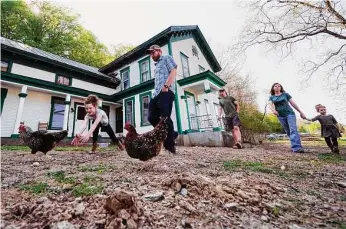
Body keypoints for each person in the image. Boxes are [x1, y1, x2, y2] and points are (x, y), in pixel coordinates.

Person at [147, 44, 178, 154]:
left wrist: (166, 86)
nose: (151, 55)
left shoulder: (166, 58)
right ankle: (172, 133)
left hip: (166, 92)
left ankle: (170, 146)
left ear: (159, 51)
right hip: (156, 94)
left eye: (153, 52)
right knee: (151, 117)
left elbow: (173, 71)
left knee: (165, 117)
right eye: (150, 53)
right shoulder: (156, 66)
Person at [269, 83, 305, 153]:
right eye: (275, 86)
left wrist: (301, 112)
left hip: (290, 114)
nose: (277, 87)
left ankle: (297, 148)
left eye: (279, 86)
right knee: (288, 131)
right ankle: (295, 144)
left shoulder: (285, 95)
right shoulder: (272, 97)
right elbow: (270, 105)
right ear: (273, 88)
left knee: (293, 130)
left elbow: (293, 103)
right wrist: (273, 110)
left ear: (281, 88)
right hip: (281, 116)